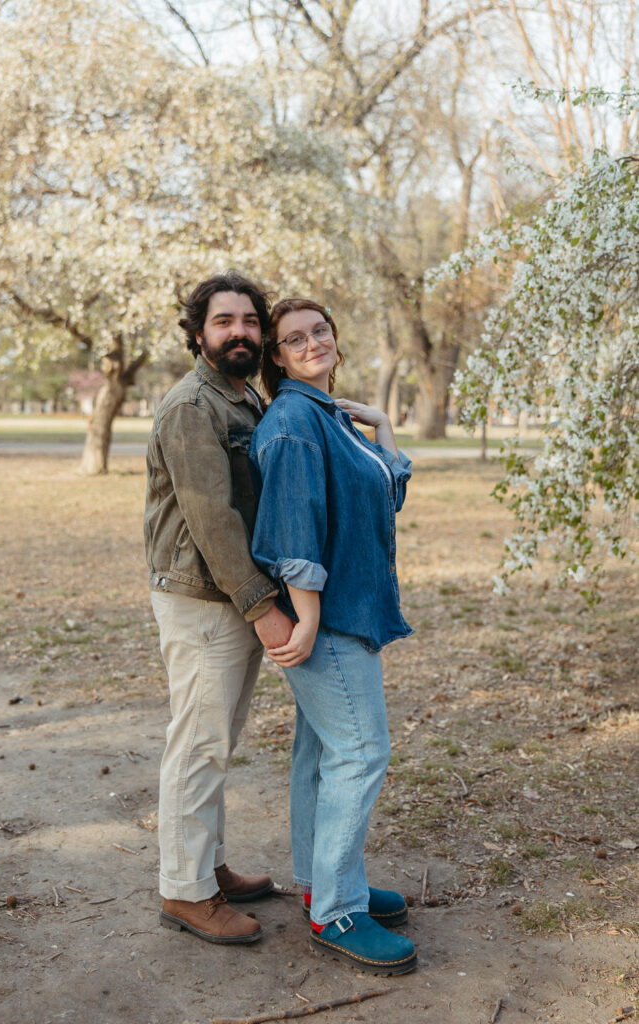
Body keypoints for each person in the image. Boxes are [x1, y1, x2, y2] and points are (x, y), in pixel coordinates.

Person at [249, 298, 417, 974]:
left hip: (350, 608)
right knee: (359, 752)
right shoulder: (292, 422)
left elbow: (383, 495)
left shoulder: (331, 416)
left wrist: (381, 430)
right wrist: (308, 613)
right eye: (294, 338)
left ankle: (324, 881)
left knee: (322, 754)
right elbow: (292, 527)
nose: (311, 341)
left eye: (319, 331)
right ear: (277, 356)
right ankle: (336, 911)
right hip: (332, 618)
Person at [144, 271, 293, 945]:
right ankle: (184, 890)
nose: (240, 332)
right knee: (199, 744)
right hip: (206, 599)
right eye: (224, 321)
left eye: (250, 321)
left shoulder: (245, 396)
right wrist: (262, 604)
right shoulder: (189, 406)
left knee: (216, 739)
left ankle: (206, 866)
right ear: (198, 332)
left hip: (235, 593)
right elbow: (212, 520)